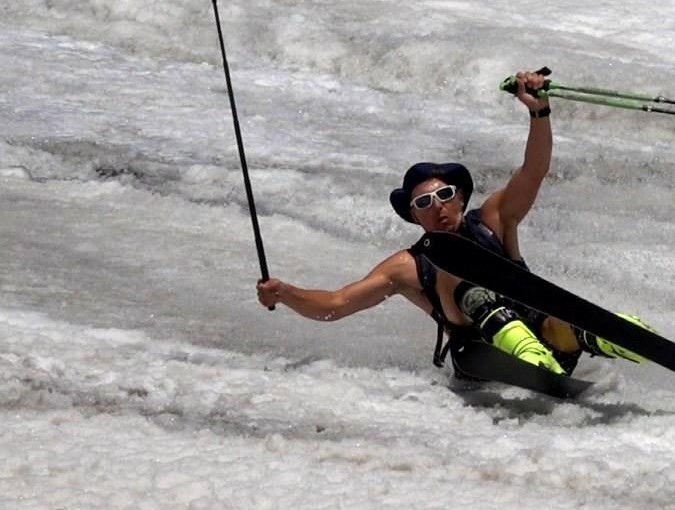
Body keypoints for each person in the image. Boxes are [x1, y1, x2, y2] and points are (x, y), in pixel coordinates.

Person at [255, 68, 648, 380]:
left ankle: (627, 337)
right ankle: (526, 353)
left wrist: (538, 111)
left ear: (460, 198)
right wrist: (286, 293)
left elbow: (534, 169)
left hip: (547, 339)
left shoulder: (494, 221)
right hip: (479, 357)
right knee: (453, 268)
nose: (437, 207)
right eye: (423, 203)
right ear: (413, 216)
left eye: (445, 196)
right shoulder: (406, 267)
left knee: (567, 325)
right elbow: (336, 306)